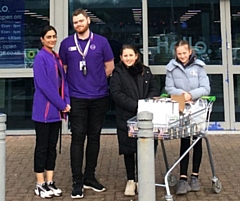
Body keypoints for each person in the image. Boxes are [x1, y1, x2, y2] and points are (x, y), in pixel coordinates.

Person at [59, 8, 114, 199]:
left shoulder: (101, 42)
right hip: (77, 98)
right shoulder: (66, 44)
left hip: (99, 97)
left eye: (81, 21)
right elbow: (64, 70)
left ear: (88, 21)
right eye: (75, 22)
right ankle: (77, 180)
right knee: (77, 137)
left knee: (94, 137)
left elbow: (110, 66)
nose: (78, 25)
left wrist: (97, 80)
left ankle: (90, 176)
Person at [110, 44, 160, 196]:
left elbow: (154, 87)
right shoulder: (117, 73)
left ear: (136, 55)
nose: (128, 58)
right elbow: (116, 94)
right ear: (120, 58)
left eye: (131, 55)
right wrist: (137, 106)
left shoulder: (146, 71)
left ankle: (143, 179)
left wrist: (147, 103)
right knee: (129, 150)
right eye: (125, 56)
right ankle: (131, 180)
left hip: (147, 117)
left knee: (147, 149)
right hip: (127, 117)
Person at [165, 40, 210, 195]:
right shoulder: (171, 68)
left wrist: (192, 94)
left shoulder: (199, 67)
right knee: (184, 140)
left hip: (197, 107)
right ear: (175, 54)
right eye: (179, 54)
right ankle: (183, 177)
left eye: (184, 53)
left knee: (197, 140)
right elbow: (168, 87)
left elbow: (206, 88)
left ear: (190, 52)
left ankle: (195, 175)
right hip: (182, 106)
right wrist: (182, 95)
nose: (182, 56)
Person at [32, 25, 70, 199]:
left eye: (54, 36)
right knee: (42, 148)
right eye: (48, 37)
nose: (52, 40)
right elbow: (45, 86)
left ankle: (49, 181)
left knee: (52, 148)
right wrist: (62, 104)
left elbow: (64, 83)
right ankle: (39, 184)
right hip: (43, 112)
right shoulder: (40, 58)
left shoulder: (56, 57)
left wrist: (66, 102)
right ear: (42, 39)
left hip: (56, 112)